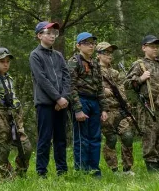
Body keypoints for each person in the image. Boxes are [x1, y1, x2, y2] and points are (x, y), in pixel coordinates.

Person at [128, 35, 159, 172]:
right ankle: (152, 169)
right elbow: (126, 84)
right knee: (150, 138)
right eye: (152, 46)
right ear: (144, 48)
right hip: (147, 108)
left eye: (157, 47)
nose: (155, 49)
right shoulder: (139, 65)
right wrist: (140, 79)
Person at [29, 21, 71, 176]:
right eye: (49, 33)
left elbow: (66, 77)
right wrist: (57, 98)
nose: (52, 36)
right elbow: (42, 79)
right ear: (40, 35)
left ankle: (62, 170)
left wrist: (64, 98)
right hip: (45, 104)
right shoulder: (35, 55)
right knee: (45, 138)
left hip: (61, 104)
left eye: (54, 33)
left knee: (61, 138)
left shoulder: (58, 55)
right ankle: (41, 171)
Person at [0, 47, 31, 179]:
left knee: (26, 146)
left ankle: (21, 172)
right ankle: (6, 176)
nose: (6, 64)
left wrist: (18, 110)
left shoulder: (9, 79)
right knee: (3, 146)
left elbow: (13, 96)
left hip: (13, 115)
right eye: (2, 61)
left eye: (7, 61)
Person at [67, 32, 106, 176]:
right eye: (87, 43)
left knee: (95, 138)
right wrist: (77, 109)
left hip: (95, 101)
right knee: (81, 138)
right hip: (81, 100)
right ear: (78, 45)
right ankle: (82, 170)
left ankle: (94, 170)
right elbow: (70, 87)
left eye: (93, 43)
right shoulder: (74, 61)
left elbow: (100, 87)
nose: (91, 46)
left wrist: (104, 108)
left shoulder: (95, 63)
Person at [98, 42, 135, 175]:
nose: (109, 56)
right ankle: (113, 169)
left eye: (110, 53)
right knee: (111, 139)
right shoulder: (94, 71)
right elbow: (89, 88)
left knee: (128, 136)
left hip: (120, 110)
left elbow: (122, 92)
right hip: (105, 110)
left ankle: (127, 168)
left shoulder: (115, 72)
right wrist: (103, 91)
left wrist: (128, 110)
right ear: (98, 55)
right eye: (105, 53)